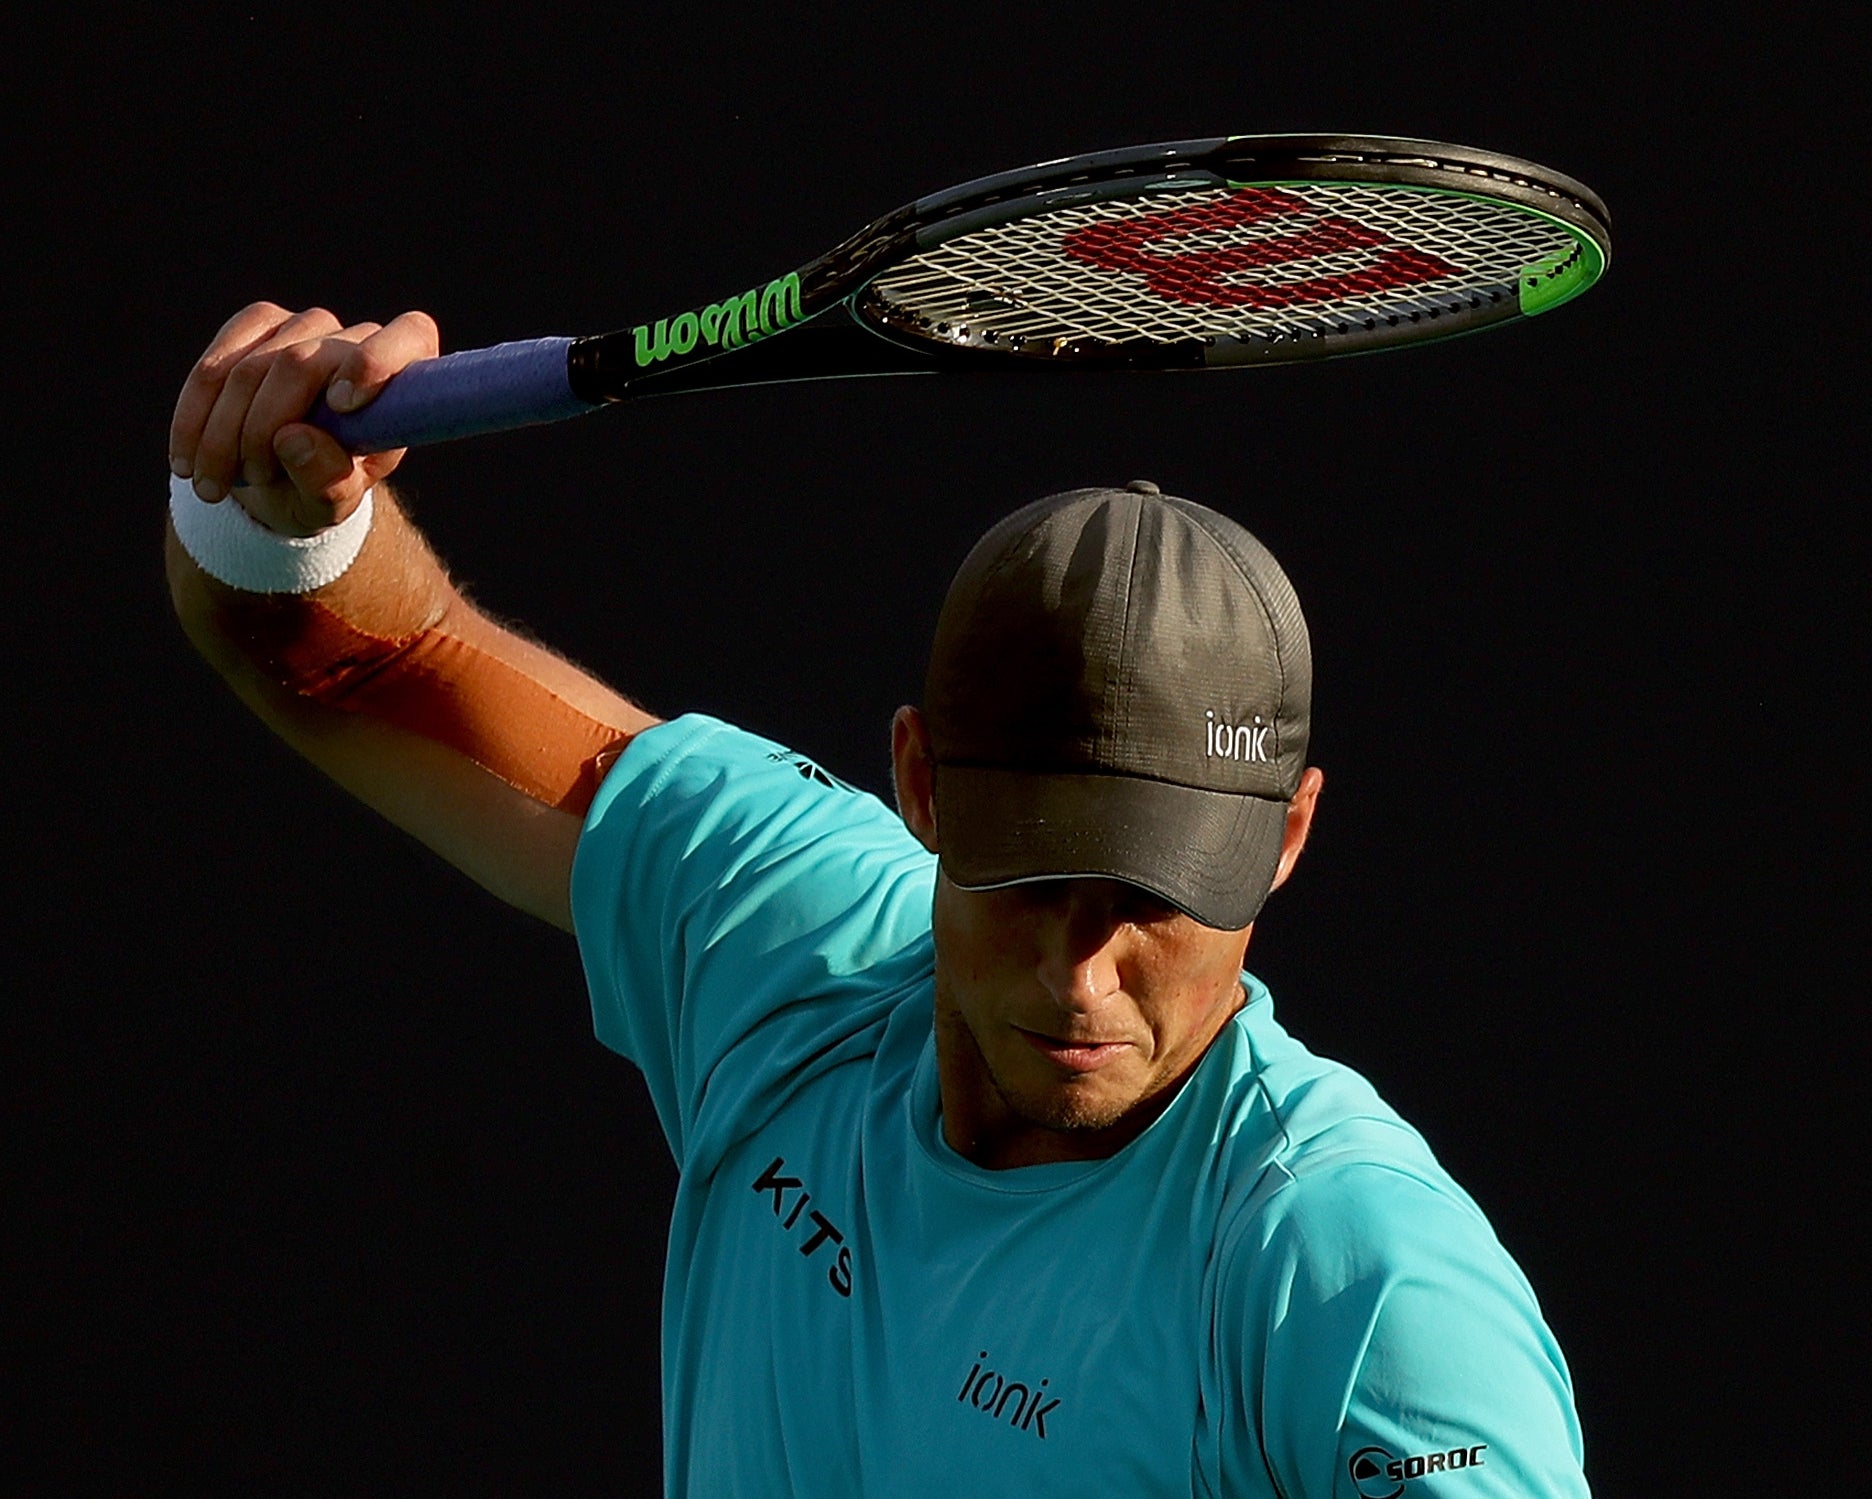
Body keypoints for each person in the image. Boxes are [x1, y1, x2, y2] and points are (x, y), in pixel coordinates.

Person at [166, 303, 1589, 1497]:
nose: (1084, 969)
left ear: (1286, 840)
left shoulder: (1360, 1285)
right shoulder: (787, 941)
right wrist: (275, 499)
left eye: (1157, 895)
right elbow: (357, 657)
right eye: (1030, 871)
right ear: (916, 782)